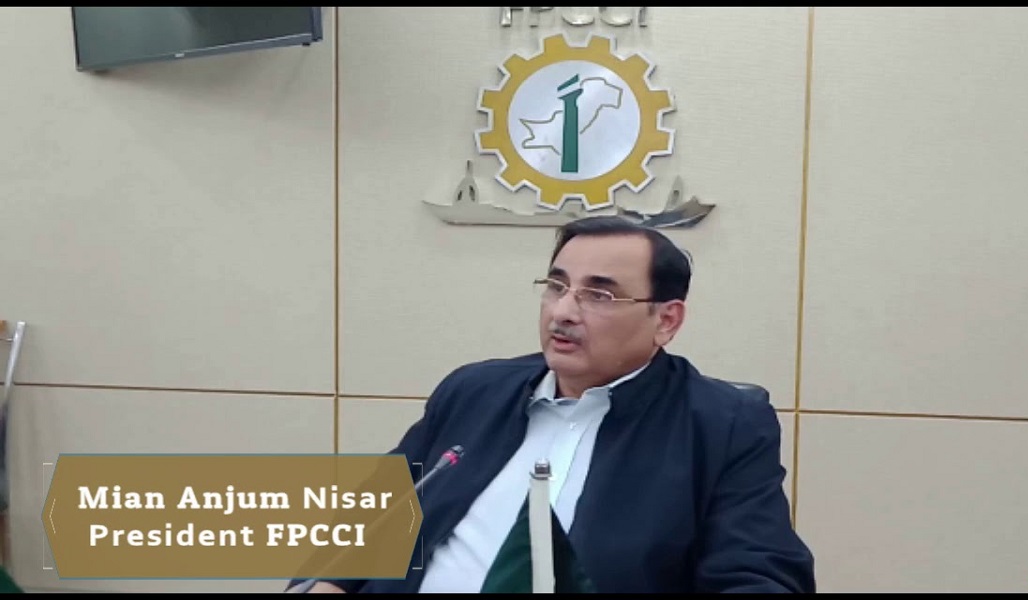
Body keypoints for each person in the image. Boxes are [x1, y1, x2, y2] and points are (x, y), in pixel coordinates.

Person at [292, 216, 816, 593]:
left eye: (598, 295)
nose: (563, 311)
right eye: (557, 286)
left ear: (666, 320)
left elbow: (759, 574)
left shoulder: (722, 425)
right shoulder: (475, 391)